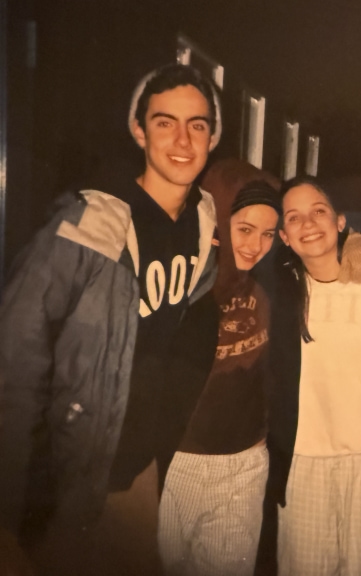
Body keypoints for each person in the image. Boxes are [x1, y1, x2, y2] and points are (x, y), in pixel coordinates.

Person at [0, 63, 221, 575]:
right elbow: (12, 367)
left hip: (138, 475)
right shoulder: (85, 229)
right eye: (165, 122)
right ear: (139, 130)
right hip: (64, 483)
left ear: (213, 138)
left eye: (198, 125)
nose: (183, 140)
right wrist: (6, 516)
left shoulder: (202, 222)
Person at [257, 176, 361, 576]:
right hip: (305, 460)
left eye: (319, 211)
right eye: (294, 218)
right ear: (284, 236)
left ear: (340, 221)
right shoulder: (280, 289)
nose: (309, 224)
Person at [157, 158, 281, 576]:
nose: (255, 245)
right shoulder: (177, 285)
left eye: (267, 233)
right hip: (176, 464)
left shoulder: (266, 286)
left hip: (244, 465)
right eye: (244, 229)